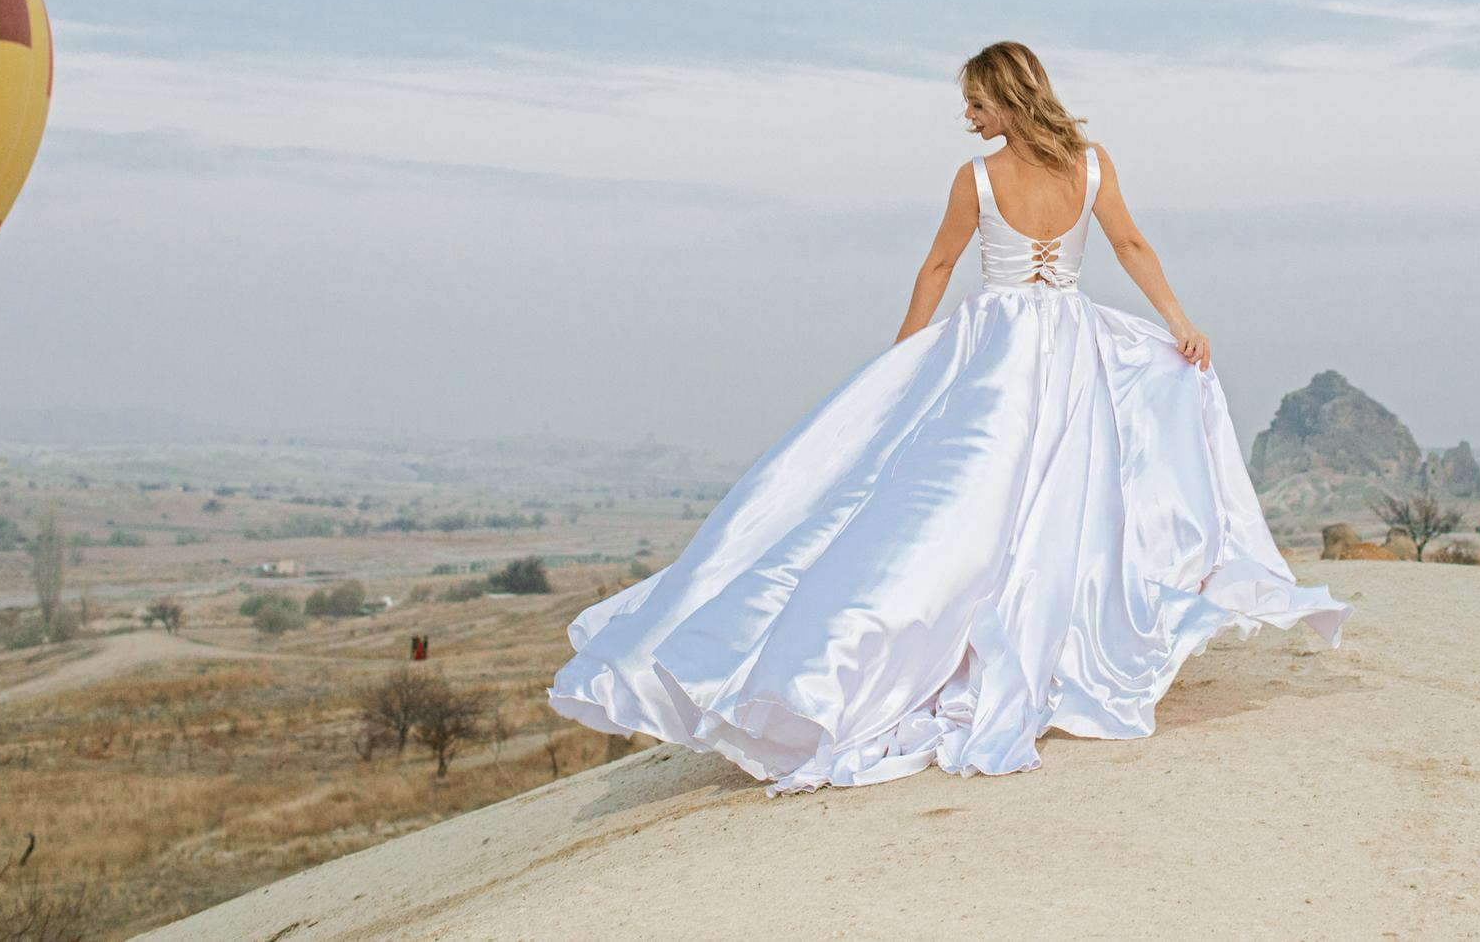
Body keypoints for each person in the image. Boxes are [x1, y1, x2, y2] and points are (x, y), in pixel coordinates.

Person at [547, 41, 1345, 792]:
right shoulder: (1090, 166)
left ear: (1004, 97)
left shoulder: (977, 177)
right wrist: (1179, 322)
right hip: (1071, 348)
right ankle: (1038, 644)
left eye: (974, 103)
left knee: (967, 504)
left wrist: (901, 359)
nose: (967, 118)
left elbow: (938, 265)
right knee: (1057, 508)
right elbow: (1132, 246)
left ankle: (921, 649)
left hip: (997, 349)